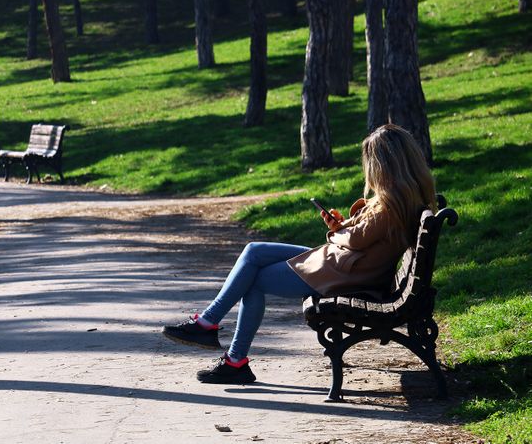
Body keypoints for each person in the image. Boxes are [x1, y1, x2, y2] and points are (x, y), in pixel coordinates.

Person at [162, 124, 437, 384]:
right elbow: (361, 236)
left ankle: (226, 350)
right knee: (254, 250)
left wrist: (336, 233)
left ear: (384, 165)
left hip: (344, 272)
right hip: (343, 264)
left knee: (254, 279)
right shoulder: (402, 198)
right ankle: (214, 331)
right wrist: (341, 226)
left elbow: (355, 239)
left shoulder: (391, 205)